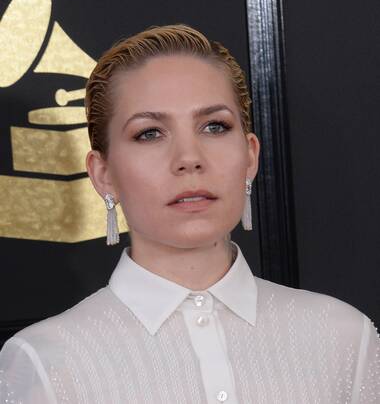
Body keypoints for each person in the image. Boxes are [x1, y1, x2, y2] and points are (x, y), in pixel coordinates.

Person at [0, 24, 379, 404]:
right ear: (103, 173)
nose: (189, 159)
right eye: (149, 133)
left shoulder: (344, 337)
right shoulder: (44, 362)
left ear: (250, 156)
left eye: (215, 126)